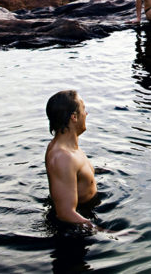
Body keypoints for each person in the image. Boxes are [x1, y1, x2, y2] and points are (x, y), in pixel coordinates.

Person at [45, 90, 98, 228]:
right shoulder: (63, 157)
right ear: (74, 117)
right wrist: (106, 233)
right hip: (74, 230)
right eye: (84, 109)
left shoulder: (69, 147)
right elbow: (65, 213)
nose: (86, 114)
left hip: (88, 210)